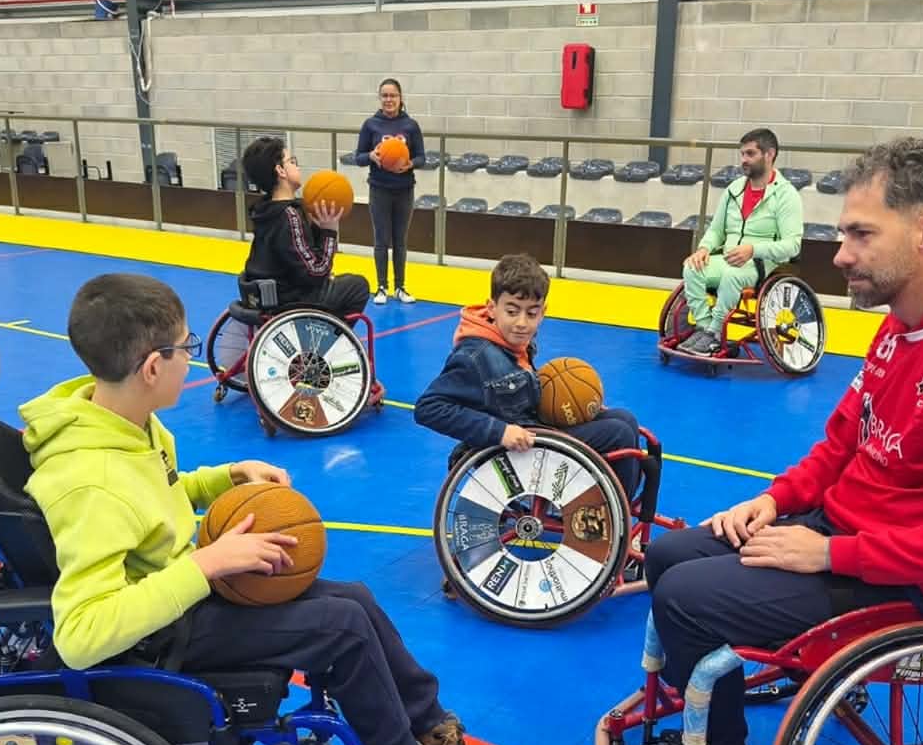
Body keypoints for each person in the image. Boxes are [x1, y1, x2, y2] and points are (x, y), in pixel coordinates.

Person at [618, 137, 923, 745]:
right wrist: (773, 501)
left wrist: (826, 553)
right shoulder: (899, 332)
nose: (840, 253)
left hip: (911, 585)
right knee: (674, 552)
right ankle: (714, 709)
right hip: (846, 538)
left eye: (860, 234)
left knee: (686, 597)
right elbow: (836, 449)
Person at [21, 272, 501, 745]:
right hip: (158, 636)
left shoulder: (123, 421)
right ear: (152, 367)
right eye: (186, 349)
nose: (191, 359)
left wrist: (225, 478)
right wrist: (206, 566)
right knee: (341, 628)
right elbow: (81, 635)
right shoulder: (90, 480)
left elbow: (155, 501)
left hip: (181, 593)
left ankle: (433, 735)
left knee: (354, 597)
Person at [414, 253, 642, 499]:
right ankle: (614, 521)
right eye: (512, 312)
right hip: (517, 449)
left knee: (625, 419)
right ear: (492, 308)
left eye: (531, 314)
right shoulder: (475, 355)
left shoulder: (512, 341)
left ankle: (613, 507)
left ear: (543, 312)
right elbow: (428, 408)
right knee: (619, 434)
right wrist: (499, 431)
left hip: (535, 430)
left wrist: (576, 404)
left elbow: (520, 393)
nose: (522, 323)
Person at [678, 128, 803, 356]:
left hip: (762, 263)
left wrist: (753, 249)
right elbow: (716, 230)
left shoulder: (787, 195)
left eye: (750, 154)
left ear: (769, 154)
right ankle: (705, 327)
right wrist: (704, 249)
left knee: (731, 276)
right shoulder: (733, 190)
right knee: (691, 268)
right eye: (742, 154)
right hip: (729, 258)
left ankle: (715, 333)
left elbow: (793, 246)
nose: (744, 160)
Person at [240, 135, 369, 319]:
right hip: (290, 301)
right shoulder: (289, 216)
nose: (297, 166)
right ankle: (327, 343)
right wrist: (329, 231)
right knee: (358, 286)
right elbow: (316, 272)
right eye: (292, 161)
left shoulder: (264, 210)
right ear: (280, 171)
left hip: (265, 295)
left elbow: (295, 256)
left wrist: (316, 228)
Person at [354, 78, 424, 305]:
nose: (389, 100)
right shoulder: (370, 125)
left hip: (404, 189)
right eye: (384, 96)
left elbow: (422, 157)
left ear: (400, 98)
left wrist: (410, 164)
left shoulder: (411, 126)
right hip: (379, 188)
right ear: (380, 99)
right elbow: (359, 157)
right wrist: (371, 156)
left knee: (400, 240)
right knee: (381, 239)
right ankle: (381, 287)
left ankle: (400, 286)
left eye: (393, 95)